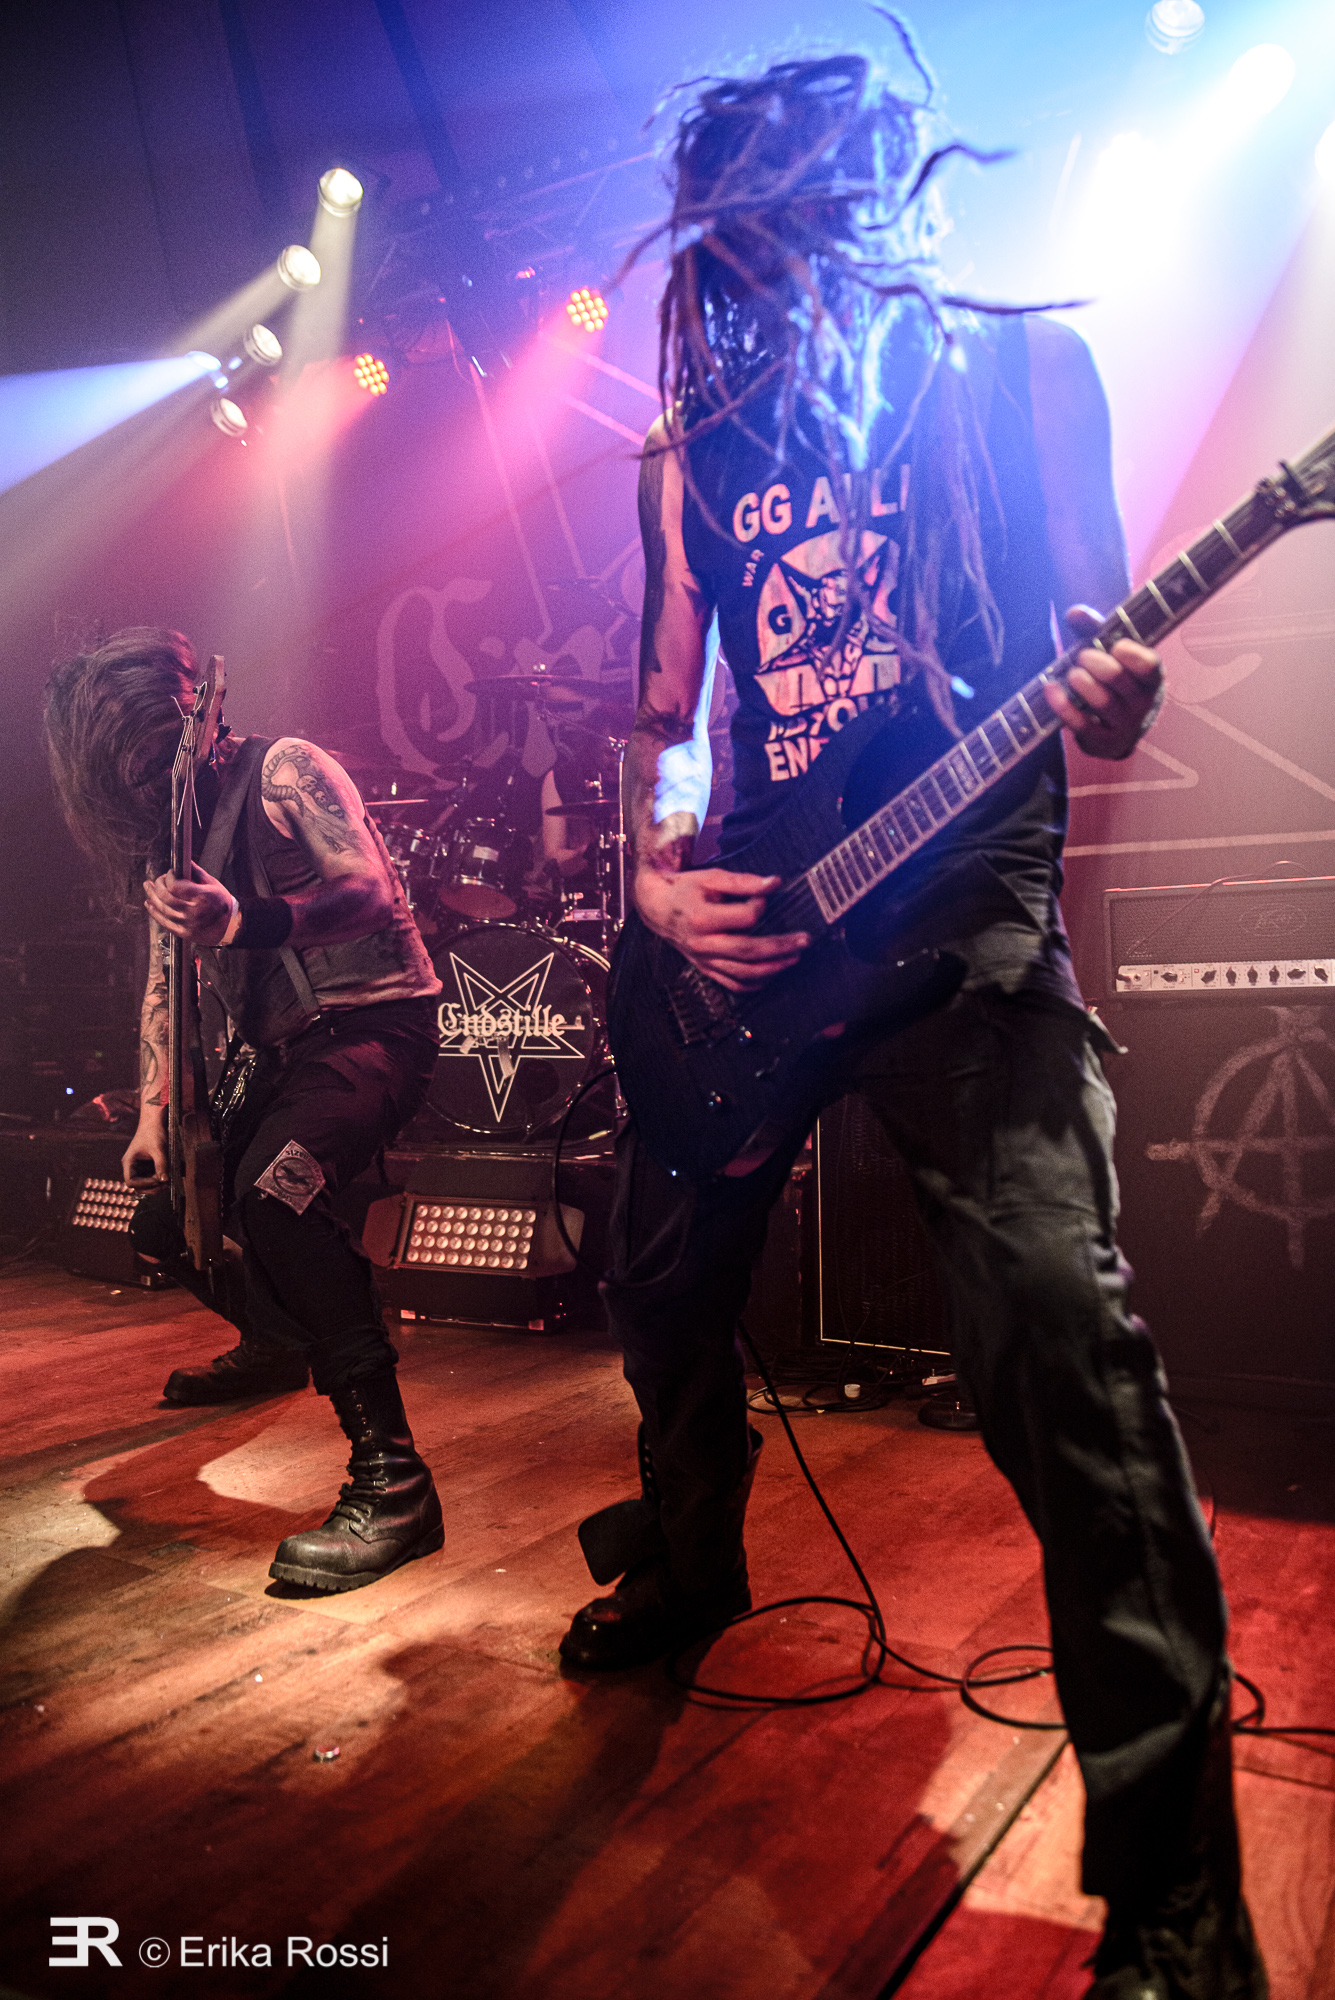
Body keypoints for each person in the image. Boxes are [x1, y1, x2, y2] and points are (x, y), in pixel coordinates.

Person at [556, 47, 1266, 2000]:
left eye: (801, 240)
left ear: (881, 217)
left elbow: (1092, 646)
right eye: (738, 258)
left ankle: (1180, 1906)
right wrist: (653, 878)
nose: (769, 287)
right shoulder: (688, 447)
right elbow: (662, 711)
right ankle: (691, 1555)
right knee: (659, 1289)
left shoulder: (1019, 375)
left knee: (1058, 1334)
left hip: (961, 931)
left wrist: (1113, 693)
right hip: (754, 941)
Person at [44, 630, 445, 1595]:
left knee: (275, 1196)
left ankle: (393, 1479)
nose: (144, 782)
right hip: (275, 1053)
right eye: (127, 773)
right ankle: (274, 1342)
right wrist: (154, 1115)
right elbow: (164, 979)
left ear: (189, 719)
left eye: (152, 759)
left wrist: (246, 920)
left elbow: (369, 892)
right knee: (166, 1220)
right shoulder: (169, 837)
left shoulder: (288, 769)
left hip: (374, 1026)